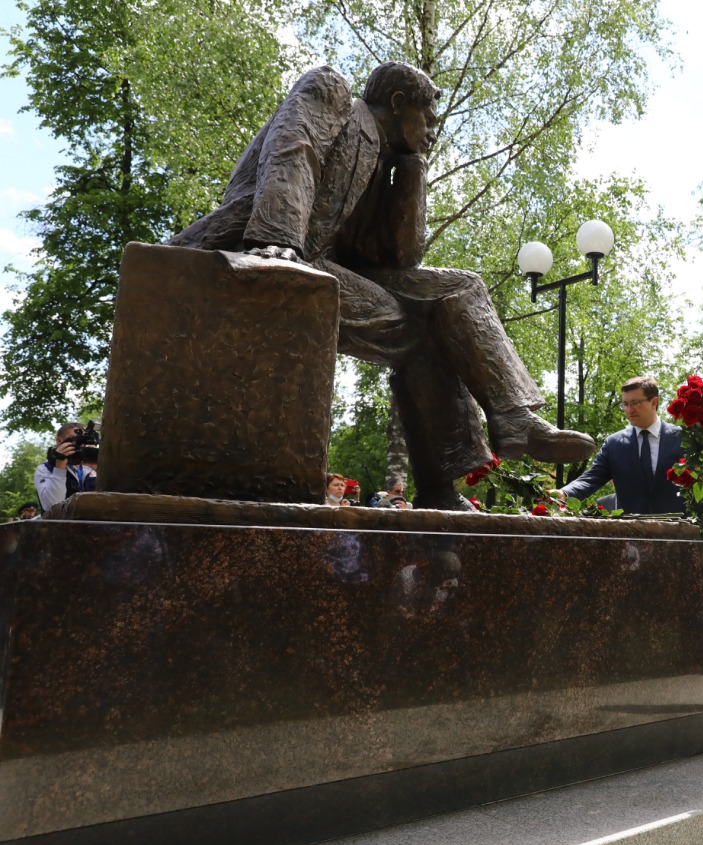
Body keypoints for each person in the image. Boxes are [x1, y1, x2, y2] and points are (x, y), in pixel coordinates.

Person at [167, 62, 594, 510]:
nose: (434, 130)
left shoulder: (388, 161)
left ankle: (485, 444)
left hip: (327, 265)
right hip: (263, 243)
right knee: (424, 332)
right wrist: (277, 238)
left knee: (456, 296)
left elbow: (401, 259)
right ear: (397, 103)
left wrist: (413, 174)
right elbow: (296, 149)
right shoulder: (333, 96)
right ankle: (493, 437)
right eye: (429, 118)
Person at [556, 376, 684, 514]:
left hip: (676, 530)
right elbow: (592, 478)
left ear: (654, 402)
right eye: (625, 404)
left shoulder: (682, 438)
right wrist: (564, 493)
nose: (629, 409)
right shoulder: (613, 444)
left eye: (636, 403)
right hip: (629, 531)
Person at [34, 422, 98, 512]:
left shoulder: (88, 471)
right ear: (59, 441)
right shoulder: (45, 468)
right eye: (74, 439)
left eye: (83, 441)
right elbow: (52, 506)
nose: (80, 445)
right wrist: (60, 466)